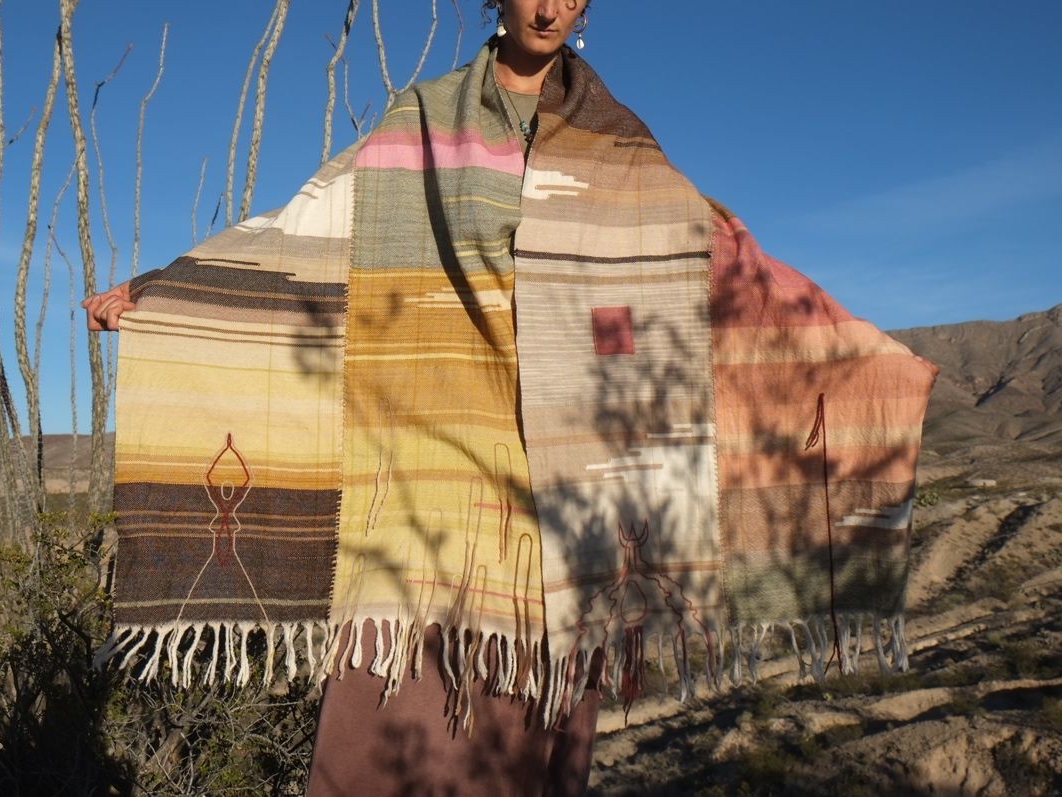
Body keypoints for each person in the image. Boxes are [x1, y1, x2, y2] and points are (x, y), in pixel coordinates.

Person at [86, 2, 935, 795]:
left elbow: (717, 257)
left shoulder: (619, 146)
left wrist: (859, 353)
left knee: (534, 741)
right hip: (429, 486)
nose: (551, 4)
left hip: (569, 503)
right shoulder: (419, 123)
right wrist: (166, 287)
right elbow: (301, 230)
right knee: (385, 725)